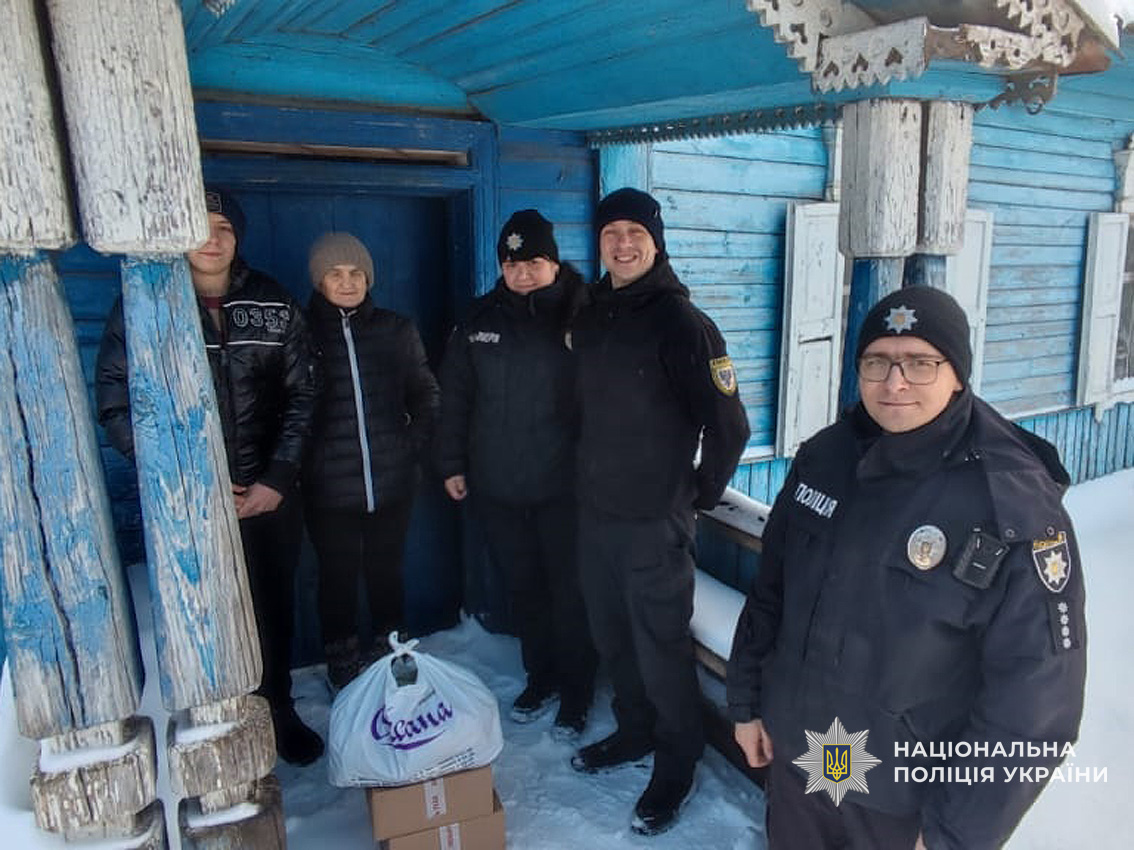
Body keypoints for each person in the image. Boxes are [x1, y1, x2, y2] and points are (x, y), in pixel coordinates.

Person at [727, 285, 1086, 850]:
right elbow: (771, 593)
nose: (894, 383)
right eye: (877, 362)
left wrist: (952, 833)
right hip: (803, 765)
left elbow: (1035, 702)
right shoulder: (825, 459)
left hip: (906, 804)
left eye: (920, 363)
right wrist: (747, 704)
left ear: (957, 374)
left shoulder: (1010, 503)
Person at [96, 186, 325, 766]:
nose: (212, 239)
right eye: (200, 225)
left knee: (273, 606)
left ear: (237, 237)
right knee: (202, 612)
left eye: (224, 227)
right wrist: (183, 484)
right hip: (190, 502)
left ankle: (278, 709)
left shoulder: (272, 303)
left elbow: (304, 394)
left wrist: (277, 478)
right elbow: (117, 402)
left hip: (269, 497)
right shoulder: (145, 303)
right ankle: (218, 723)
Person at [569, 188, 750, 836]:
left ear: (656, 241)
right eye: (611, 232)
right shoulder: (592, 314)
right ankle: (635, 730)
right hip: (595, 515)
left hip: (653, 522)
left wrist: (696, 493)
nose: (623, 244)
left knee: (660, 647)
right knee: (613, 636)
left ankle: (676, 763)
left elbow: (729, 425)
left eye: (635, 233)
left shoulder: (683, 324)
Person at [437, 209, 597, 738]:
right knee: (524, 589)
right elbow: (455, 396)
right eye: (511, 264)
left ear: (553, 262)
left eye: (532, 262)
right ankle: (541, 677)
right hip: (499, 486)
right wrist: (452, 462)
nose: (522, 274)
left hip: (565, 488)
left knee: (569, 593)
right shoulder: (479, 319)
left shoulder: (583, 314)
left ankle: (576, 690)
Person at [303, 232, 440, 689]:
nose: (347, 283)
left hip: (391, 480)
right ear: (319, 282)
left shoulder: (395, 329)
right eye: (335, 274)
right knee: (337, 576)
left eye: (356, 273)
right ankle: (341, 658)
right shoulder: (301, 333)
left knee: (387, 571)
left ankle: (392, 648)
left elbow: (426, 393)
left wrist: (409, 444)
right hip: (328, 487)